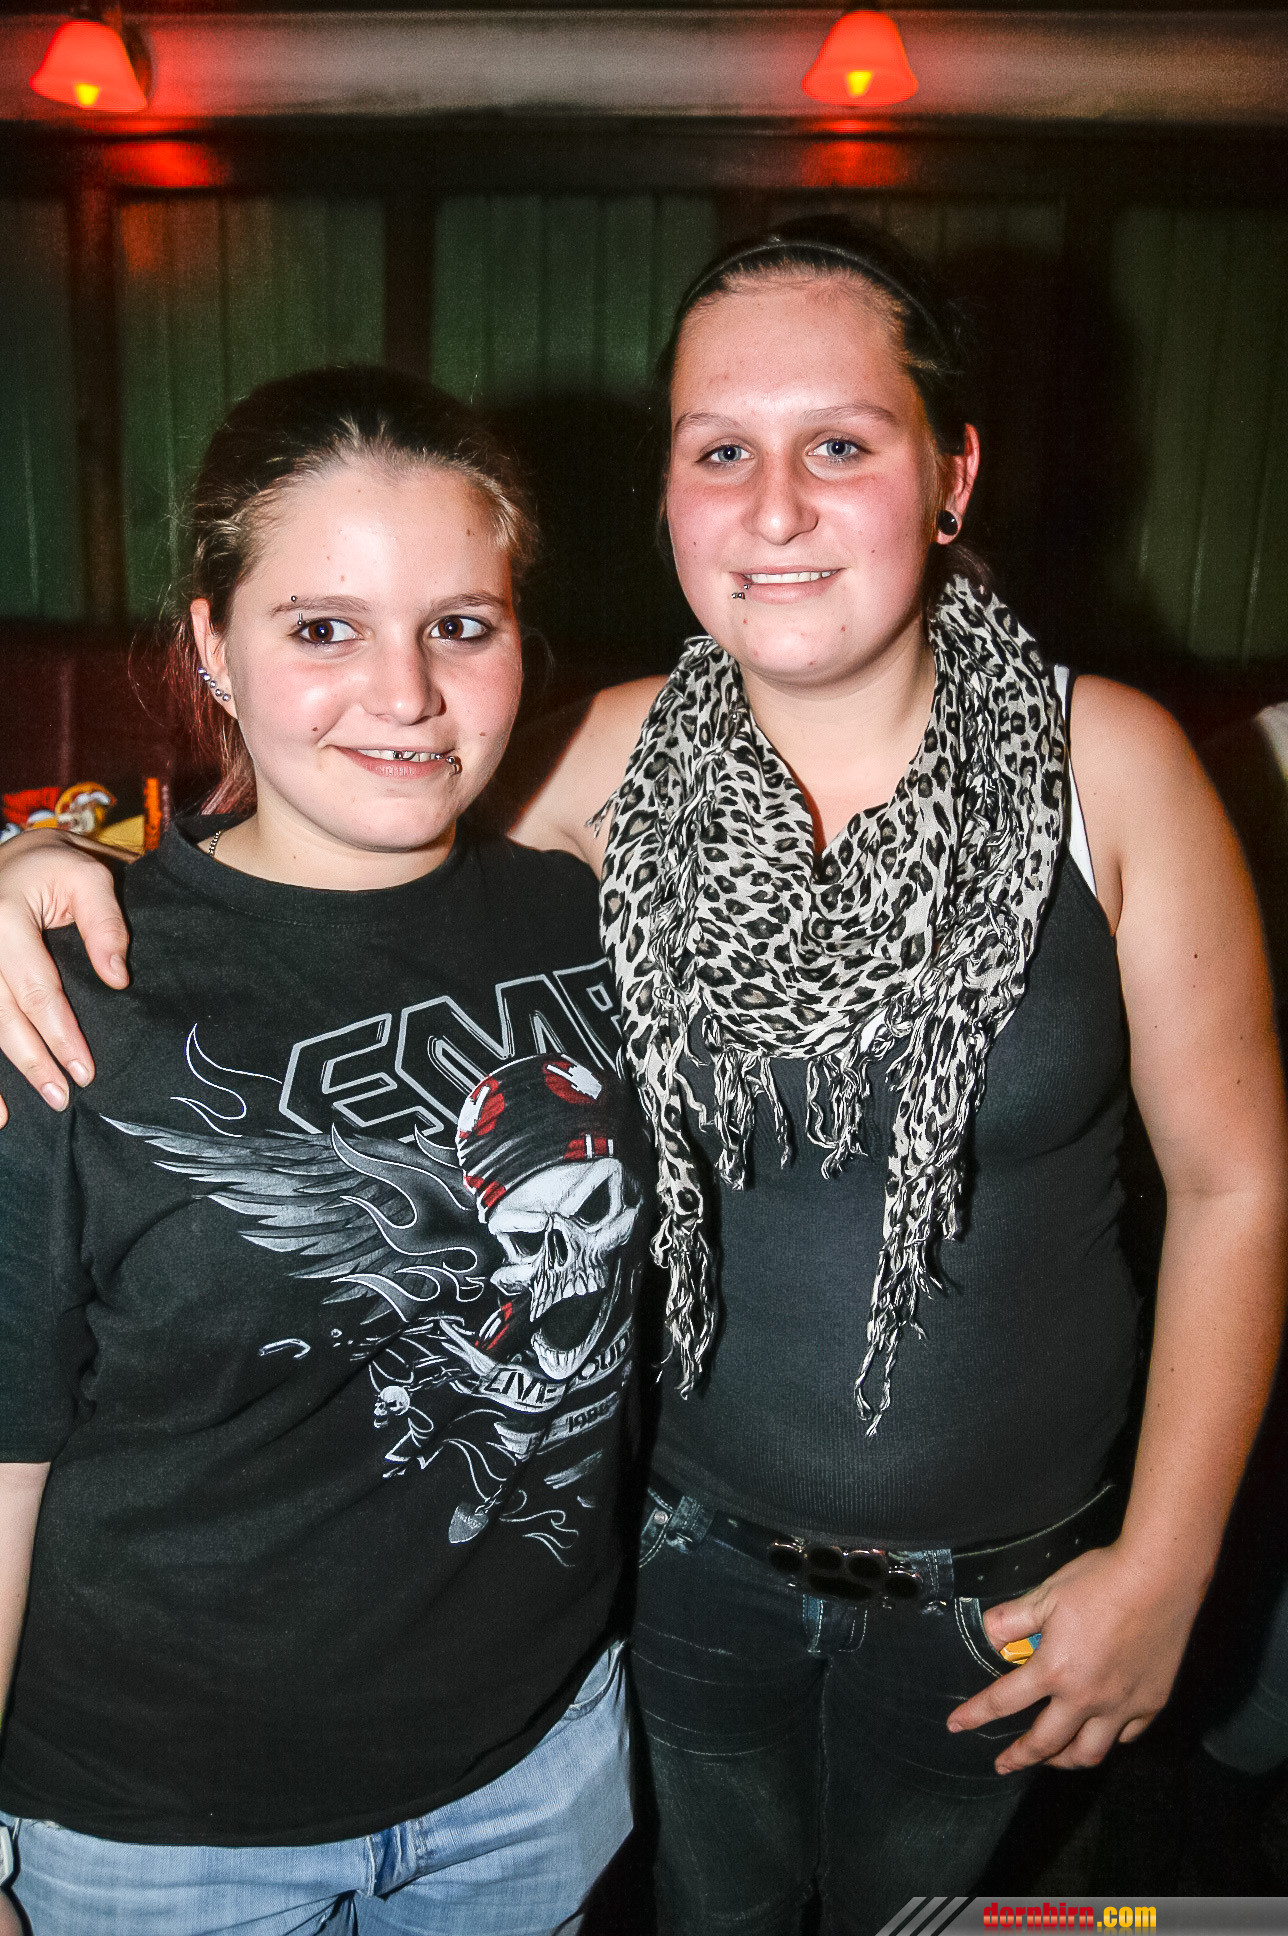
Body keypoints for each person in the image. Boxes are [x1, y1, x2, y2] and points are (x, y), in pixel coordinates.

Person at [2, 219, 1286, 1932]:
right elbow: (328, 834)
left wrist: (1173, 1564)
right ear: (669, 494)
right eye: (720, 451)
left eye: (843, 445)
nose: (776, 509)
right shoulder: (601, 765)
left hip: (1003, 1596)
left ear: (952, 473)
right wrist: (44, 854)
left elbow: (1236, 1181)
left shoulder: (1106, 765)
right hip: (672, 1577)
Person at [0, 365, 652, 1935]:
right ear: (211, 646)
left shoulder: (590, 907)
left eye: (460, 624)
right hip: (168, 1841)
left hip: (536, 1769)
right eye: (323, 628)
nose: (406, 694)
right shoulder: (69, 987)